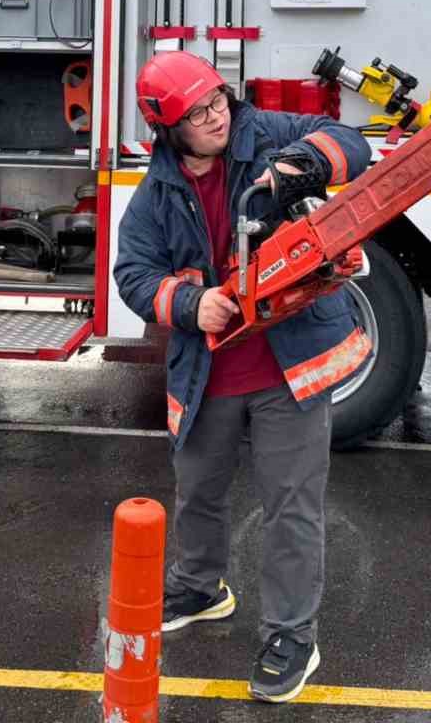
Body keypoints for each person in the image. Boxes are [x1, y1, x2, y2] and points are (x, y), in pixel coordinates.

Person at [114, 51, 373, 704]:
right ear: (170, 130)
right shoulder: (155, 196)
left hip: (288, 366)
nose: (216, 118)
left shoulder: (263, 133)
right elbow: (134, 275)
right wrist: (188, 303)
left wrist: (304, 165)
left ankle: (292, 635)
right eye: (199, 114)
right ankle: (201, 589)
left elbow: (352, 141)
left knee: (290, 504)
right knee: (198, 492)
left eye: (218, 102)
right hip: (209, 371)